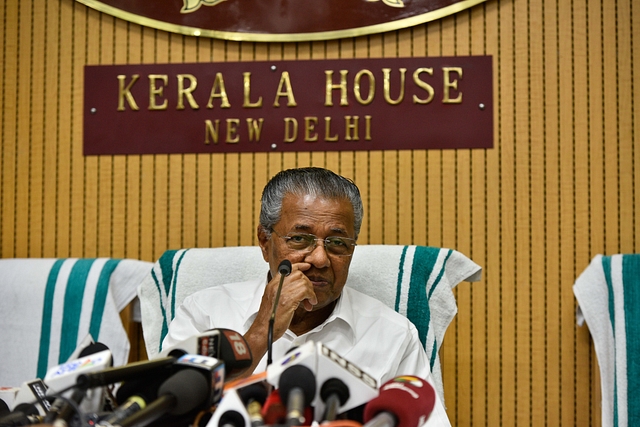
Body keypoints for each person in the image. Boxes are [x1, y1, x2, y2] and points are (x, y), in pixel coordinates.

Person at [163, 167, 452, 426]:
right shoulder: (205, 314)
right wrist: (262, 328)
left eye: (338, 243)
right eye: (300, 239)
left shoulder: (393, 336)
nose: (320, 258)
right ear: (265, 242)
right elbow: (169, 409)